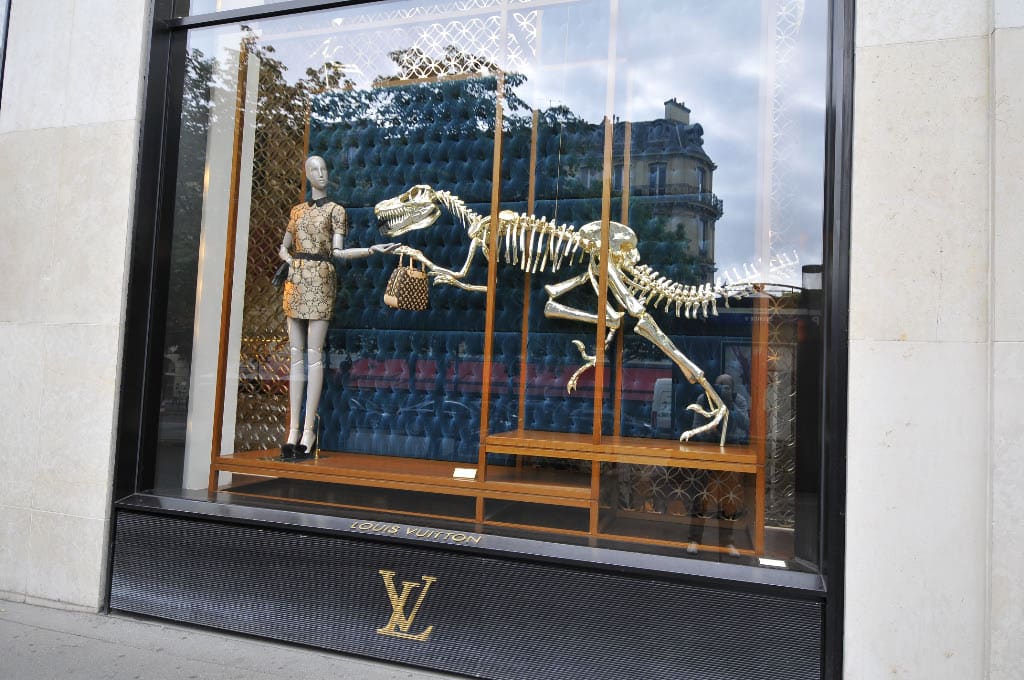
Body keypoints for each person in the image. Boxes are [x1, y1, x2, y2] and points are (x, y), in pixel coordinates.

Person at [278, 155, 399, 459]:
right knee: (296, 356)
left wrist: (371, 249)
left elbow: (338, 252)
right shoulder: (296, 211)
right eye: (314, 169)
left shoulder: (336, 210)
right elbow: (283, 247)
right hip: (296, 280)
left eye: (324, 169)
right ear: (307, 174)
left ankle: (308, 430)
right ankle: (292, 429)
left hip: (321, 278)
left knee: (314, 355)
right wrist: (290, 261)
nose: (320, 174)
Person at [684, 373, 750, 555]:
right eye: (720, 386)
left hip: (731, 451)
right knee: (700, 496)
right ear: (713, 386)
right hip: (707, 451)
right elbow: (696, 428)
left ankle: (727, 542)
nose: (723, 389)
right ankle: (694, 539)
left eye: (727, 386)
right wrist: (708, 432)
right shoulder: (703, 399)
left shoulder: (739, 400)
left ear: (733, 388)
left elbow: (746, 426)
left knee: (728, 499)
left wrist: (729, 406)